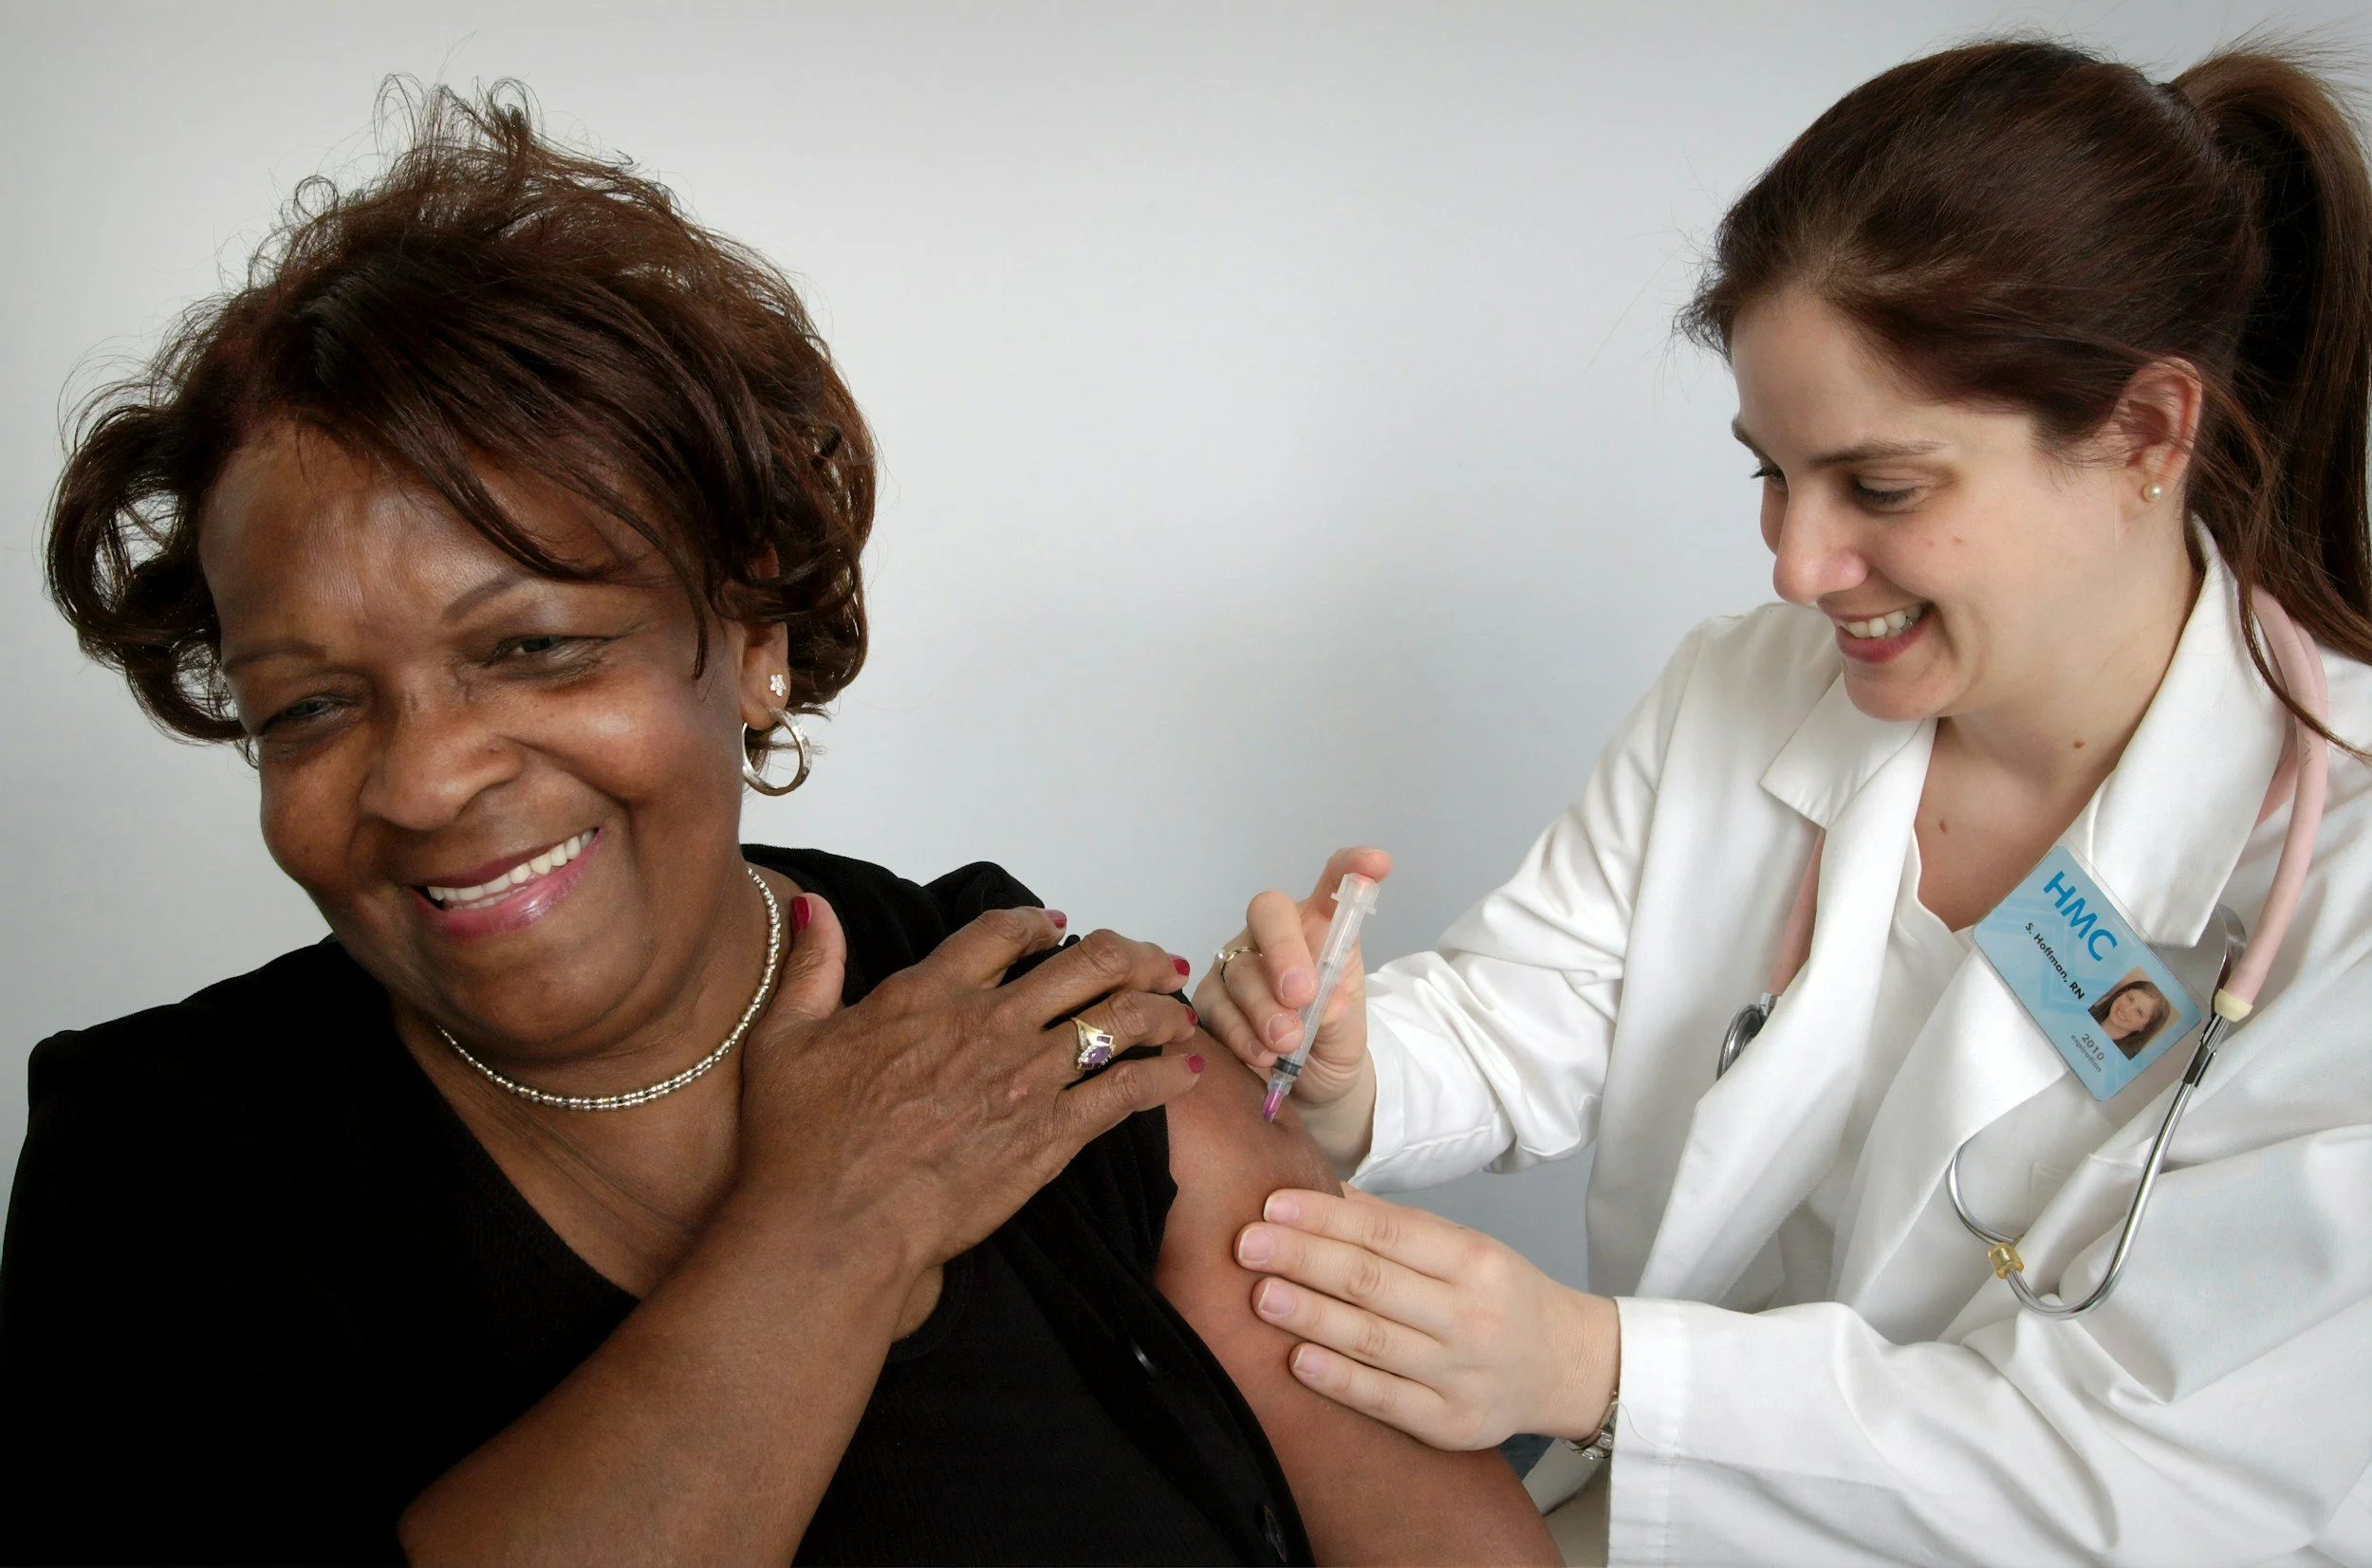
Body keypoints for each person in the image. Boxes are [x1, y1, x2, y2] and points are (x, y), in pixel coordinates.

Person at [0, 87, 1554, 1567]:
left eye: (531, 645)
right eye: (312, 706)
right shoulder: (170, 1166)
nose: (419, 780)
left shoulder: (1027, 1015)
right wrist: (829, 1228)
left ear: (752, 634)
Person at [1197, 40, 2372, 1566]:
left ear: (2147, 434)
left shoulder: (2334, 867)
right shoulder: (1746, 689)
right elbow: (1542, 1004)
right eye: (1771, 473)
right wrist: (1358, 1071)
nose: (1797, 565)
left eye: (1879, 489)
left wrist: (1598, 1368)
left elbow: (2152, 1471)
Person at [2092, 976, 2172, 1057]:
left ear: (2145, 1027)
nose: (2126, 1009)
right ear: (2122, 993)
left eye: (2139, 1012)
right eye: (2130, 998)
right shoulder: (2089, 1005)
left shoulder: (2121, 1060)